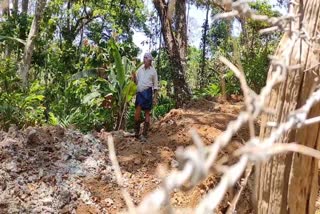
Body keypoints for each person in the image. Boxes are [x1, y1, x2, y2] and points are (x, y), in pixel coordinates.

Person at [131, 53, 158, 139]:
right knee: (137, 111)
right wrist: (134, 76)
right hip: (140, 93)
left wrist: (155, 97)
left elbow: (156, 85)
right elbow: (136, 82)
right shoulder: (140, 70)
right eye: (144, 58)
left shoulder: (153, 71)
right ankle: (136, 132)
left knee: (147, 112)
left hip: (148, 93)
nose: (144, 59)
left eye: (146, 58)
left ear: (150, 60)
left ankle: (144, 134)